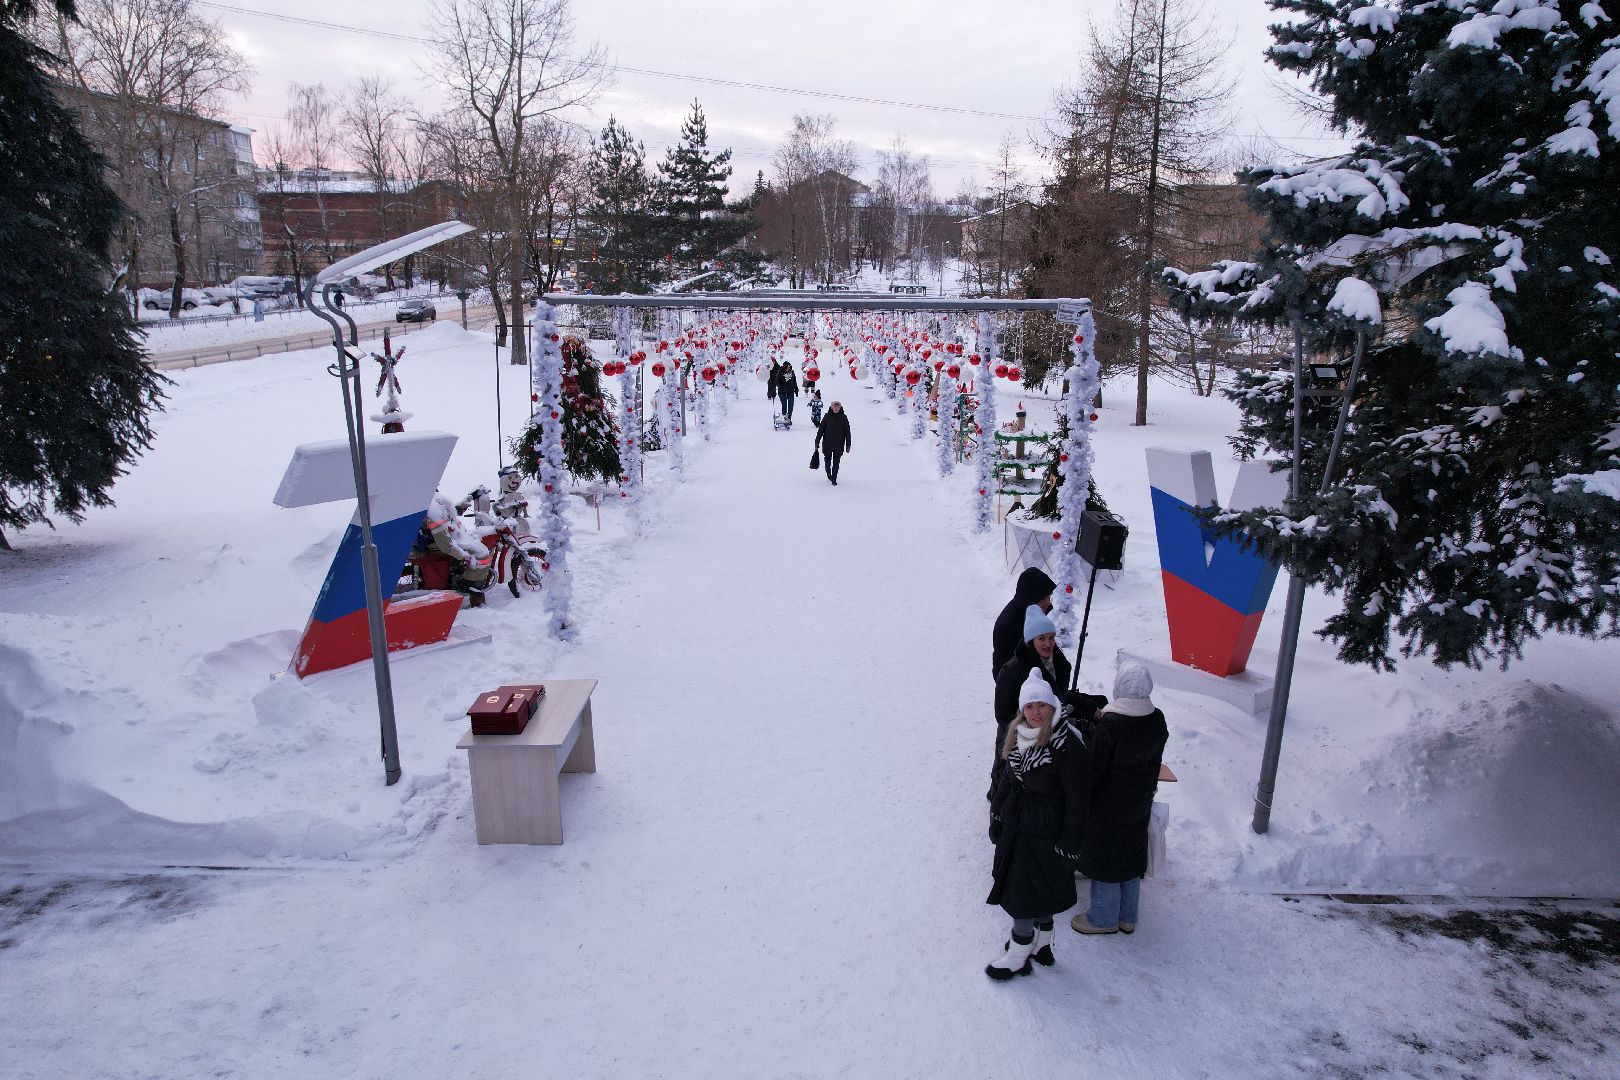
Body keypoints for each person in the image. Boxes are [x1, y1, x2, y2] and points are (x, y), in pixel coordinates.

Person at [985, 669, 1088, 980]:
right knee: (1039, 889)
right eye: (1029, 707)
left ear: (1052, 706)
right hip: (1021, 824)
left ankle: (1018, 953)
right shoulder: (1016, 734)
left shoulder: (1066, 744)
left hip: (1048, 828)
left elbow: (1079, 799)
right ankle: (1041, 944)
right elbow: (1007, 778)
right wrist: (998, 813)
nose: (1036, 712)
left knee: (1023, 895)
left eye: (1041, 705)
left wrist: (1070, 841)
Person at [1067, 663, 1168, 936]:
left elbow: (1095, 768)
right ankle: (1127, 916)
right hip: (1139, 802)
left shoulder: (1112, 723)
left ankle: (1103, 917)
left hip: (1108, 805)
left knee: (1106, 859)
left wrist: (1081, 795)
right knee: (1130, 856)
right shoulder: (1156, 719)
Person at [991, 605, 1072, 797]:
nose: (1048, 643)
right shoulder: (1012, 670)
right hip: (1019, 736)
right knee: (1011, 788)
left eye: (1051, 638)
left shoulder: (1058, 664)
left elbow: (1061, 695)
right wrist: (1030, 722)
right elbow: (1002, 714)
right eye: (1041, 638)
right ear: (1030, 641)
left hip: (1048, 732)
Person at [992, 568, 1055, 681]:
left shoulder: (1030, 614)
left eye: (1049, 598)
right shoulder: (1008, 627)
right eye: (1044, 599)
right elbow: (1001, 673)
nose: (1048, 603)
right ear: (1031, 599)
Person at [814, 400, 852, 485]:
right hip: (827, 443)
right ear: (831, 407)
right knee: (827, 461)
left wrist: (848, 444)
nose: (837, 408)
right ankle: (828, 473)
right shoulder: (827, 417)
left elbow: (847, 432)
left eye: (838, 407)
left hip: (839, 444)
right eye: (835, 406)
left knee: (836, 462)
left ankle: (834, 478)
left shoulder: (844, 418)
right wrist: (817, 441)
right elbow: (821, 430)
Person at [775, 359, 799, 425]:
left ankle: (789, 418)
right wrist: (780, 386)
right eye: (787, 367)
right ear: (785, 367)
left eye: (789, 367)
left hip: (790, 391)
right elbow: (777, 381)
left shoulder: (792, 372)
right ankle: (784, 418)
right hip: (782, 392)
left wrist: (796, 389)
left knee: (791, 405)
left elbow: (794, 381)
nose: (788, 368)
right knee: (784, 405)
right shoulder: (780, 372)